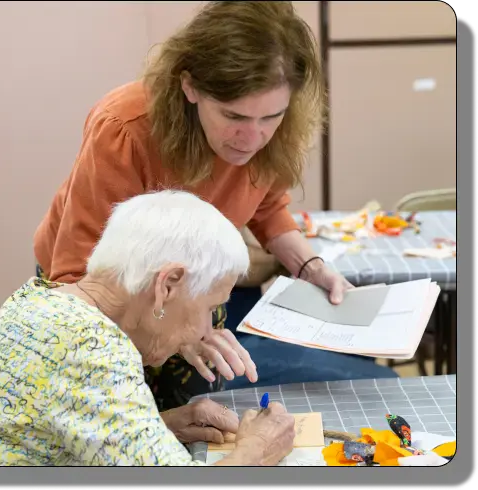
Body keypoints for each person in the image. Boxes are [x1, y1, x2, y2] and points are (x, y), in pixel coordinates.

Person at [33, 1, 395, 410]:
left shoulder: (267, 133)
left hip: (192, 287)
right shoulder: (125, 129)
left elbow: (266, 204)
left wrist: (309, 266)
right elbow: (78, 274)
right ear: (189, 87)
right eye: (233, 116)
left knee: (202, 405)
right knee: (130, 416)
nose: (252, 137)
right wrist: (167, 328)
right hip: (104, 294)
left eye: (271, 117)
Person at [0, 191, 295, 466]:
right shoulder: (91, 346)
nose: (204, 331)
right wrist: (258, 448)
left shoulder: (39, 302)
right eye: (208, 309)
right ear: (168, 285)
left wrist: (159, 426)